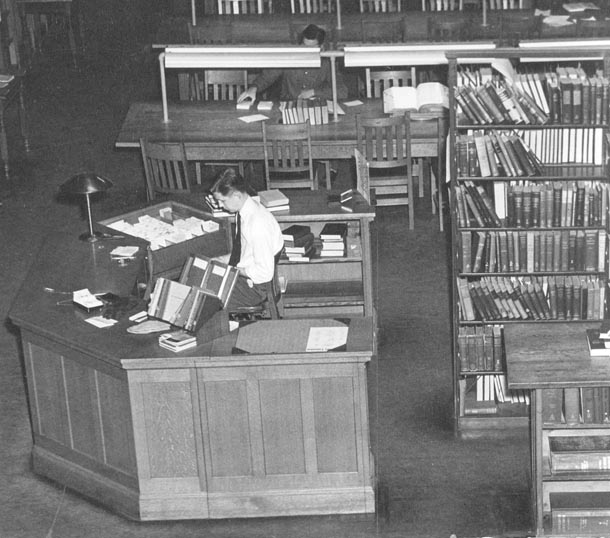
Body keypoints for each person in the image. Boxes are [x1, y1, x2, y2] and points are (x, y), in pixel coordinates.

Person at [210, 168, 284, 310]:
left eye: (222, 201)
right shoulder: (245, 211)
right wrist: (222, 260)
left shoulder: (257, 224)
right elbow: (244, 252)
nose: (220, 205)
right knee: (198, 278)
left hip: (255, 288)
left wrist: (233, 269)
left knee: (203, 298)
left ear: (237, 196)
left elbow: (264, 273)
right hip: (246, 276)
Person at [236, 24, 348, 103]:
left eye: (312, 47)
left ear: (321, 47)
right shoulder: (290, 58)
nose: (307, 50)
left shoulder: (326, 62)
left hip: (316, 106)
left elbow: (342, 91)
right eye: (304, 46)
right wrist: (254, 88)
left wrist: (314, 92)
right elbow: (267, 76)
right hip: (288, 105)